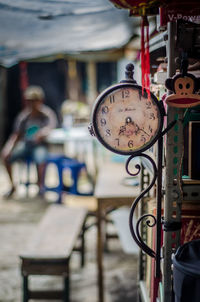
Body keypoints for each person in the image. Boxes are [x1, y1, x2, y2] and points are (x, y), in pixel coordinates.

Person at [1, 85, 57, 198]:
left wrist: (42, 133)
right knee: (6, 156)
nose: (31, 104)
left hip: (41, 145)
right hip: (26, 145)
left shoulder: (46, 114)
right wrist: (8, 147)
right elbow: (16, 134)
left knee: (40, 158)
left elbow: (51, 127)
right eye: (29, 101)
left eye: (34, 101)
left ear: (40, 101)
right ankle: (13, 186)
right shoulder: (24, 116)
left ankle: (40, 186)